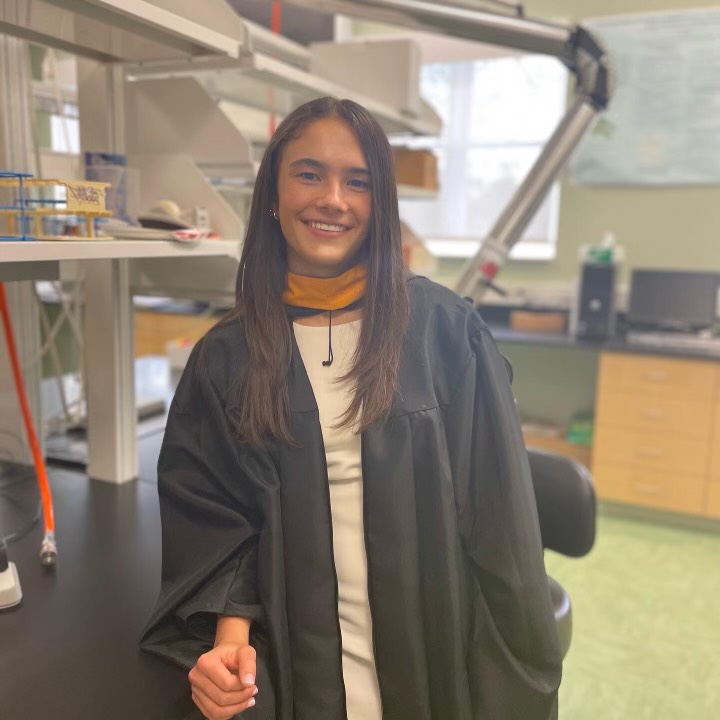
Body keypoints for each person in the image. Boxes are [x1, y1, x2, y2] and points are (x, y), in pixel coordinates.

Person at [141, 96, 562, 720]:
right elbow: (219, 523)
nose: (333, 198)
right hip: (296, 674)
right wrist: (229, 645)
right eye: (309, 173)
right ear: (274, 194)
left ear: (380, 201)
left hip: (438, 671)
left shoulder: (445, 334)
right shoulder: (227, 358)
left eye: (357, 181)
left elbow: (504, 542)